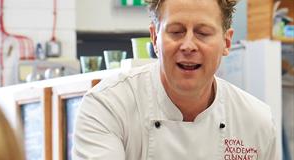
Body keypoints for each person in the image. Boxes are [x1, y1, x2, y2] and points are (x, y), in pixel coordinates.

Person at [73, 0, 280, 159]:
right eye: (176, 32)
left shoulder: (255, 121)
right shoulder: (108, 106)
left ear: (226, 42)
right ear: (155, 38)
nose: (188, 45)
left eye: (203, 33)